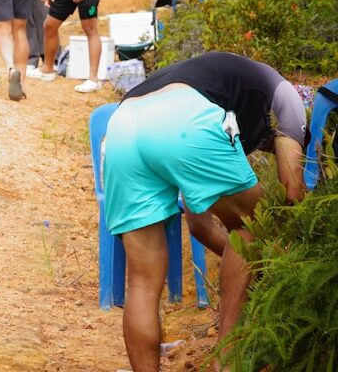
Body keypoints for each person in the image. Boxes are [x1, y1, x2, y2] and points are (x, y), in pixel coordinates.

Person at [104, 52, 306, 372]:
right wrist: (280, 264)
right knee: (253, 224)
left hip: (122, 124)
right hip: (182, 117)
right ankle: (226, 362)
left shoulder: (224, 90)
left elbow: (199, 225)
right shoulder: (289, 97)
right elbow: (293, 192)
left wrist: (252, 264)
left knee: (142, 280)